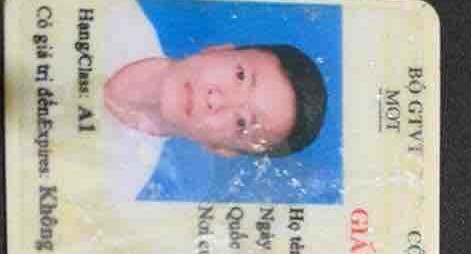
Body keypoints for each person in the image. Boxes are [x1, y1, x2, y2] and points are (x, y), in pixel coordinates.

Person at [104, 42, 327, 159]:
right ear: (217, 49)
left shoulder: (127, 181)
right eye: (240, 75)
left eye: (241, 122)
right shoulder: (114, 11)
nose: (216, 99)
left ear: (222, 149)